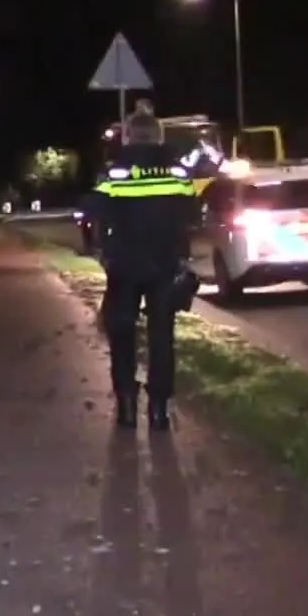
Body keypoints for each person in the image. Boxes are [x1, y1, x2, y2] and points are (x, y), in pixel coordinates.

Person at [93, 101, 199, 431]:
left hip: (124, 266)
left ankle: (126, 405)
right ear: (158, 137)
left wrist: (104, 252)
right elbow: (191, 216)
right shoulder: (179, 172)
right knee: (161, 337)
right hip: (165, 266)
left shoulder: (114, 173)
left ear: (127, 138)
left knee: (122, 333)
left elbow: (97, 216)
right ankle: (159, 410)